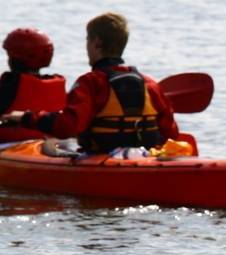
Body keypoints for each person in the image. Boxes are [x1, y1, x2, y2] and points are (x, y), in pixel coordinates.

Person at [0, 12, 178, 153]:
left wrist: (25, 117)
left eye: (87, 39)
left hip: (100, 157)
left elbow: (68, 126)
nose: (86, 45)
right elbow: (171, 133)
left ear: (97, 42)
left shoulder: (91, 82)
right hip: (144, 156)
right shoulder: (150, 84)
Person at [0, 28, 65, 143]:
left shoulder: (10, 84)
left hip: (10, 146)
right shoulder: (58, 83)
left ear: (13, 59)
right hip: (49, 144)